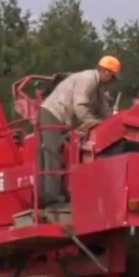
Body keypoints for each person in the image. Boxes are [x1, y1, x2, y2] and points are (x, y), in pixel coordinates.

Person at [36, 55, 119, 207]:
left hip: (62, 117)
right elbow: (79, 106)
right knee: (52, 153)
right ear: (106, 72)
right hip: (53, 113)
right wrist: (92, 123)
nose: (112, 81)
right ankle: (50, 198)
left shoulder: (98, 88)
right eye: (112, 77)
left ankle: (58, 194)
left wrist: (115, 122)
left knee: (60, 154)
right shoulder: (87, 79)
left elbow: (104, 110)